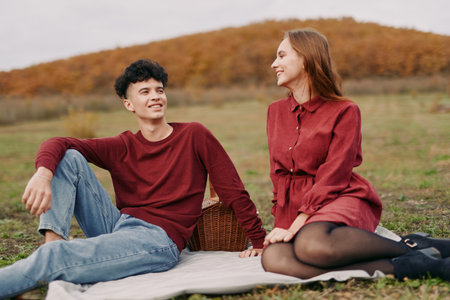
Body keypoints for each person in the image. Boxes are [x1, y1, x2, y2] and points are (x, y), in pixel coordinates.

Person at [0, 59, 266, 298]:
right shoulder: (123, 145)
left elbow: (232, 189)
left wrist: (259, 241)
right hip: (118, 226)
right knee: (69, 157)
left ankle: (52, 259)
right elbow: (56, 142)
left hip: (159, 240)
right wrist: (43, 174)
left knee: (56, 256)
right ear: (129, 104)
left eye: (159, 90)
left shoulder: (194, 135)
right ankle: (53, 245)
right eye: (145, 91)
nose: (156, 97)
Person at [261, 28, 450, 281]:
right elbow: (278, 175)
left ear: (305, 59)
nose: (275, 64)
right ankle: (414, 264)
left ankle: (414, 248)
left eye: (282, 56)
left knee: (311, 246)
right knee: (274, 258)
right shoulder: (274, 112)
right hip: (300, 206)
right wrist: (281, 225)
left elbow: (334, 175)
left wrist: (298, 223)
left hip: (339, 195)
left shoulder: (345, 110)